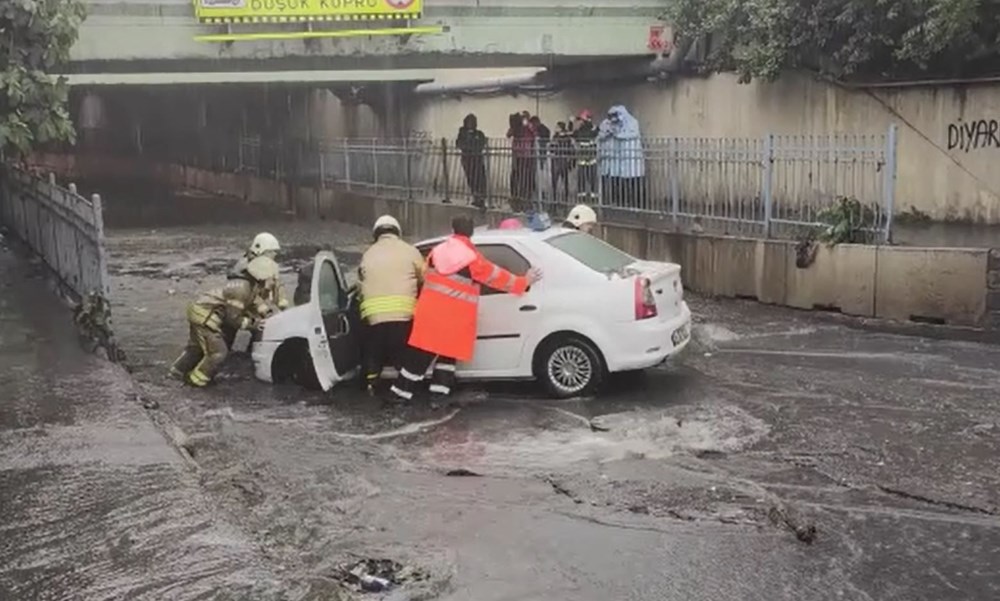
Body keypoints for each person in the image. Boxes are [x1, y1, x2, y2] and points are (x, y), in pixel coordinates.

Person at [390, 215, 542, 402]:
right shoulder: (472, 258)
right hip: (455, 317)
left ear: (453, 230)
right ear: (471, 233)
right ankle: (437, 396)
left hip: (429, 314)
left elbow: (425, 275)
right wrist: (524, 281)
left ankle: (401, 395)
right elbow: (496, 277)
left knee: (419, 358)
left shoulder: (436, 252)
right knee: (447, 358)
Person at [170, 255, 280, 387]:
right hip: (205, 316)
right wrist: (254, 324)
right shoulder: (242, 289)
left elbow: (256, 303)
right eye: (271, 277)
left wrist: (270, 315)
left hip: (201, 310)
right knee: (218, 353)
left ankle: (175, 374)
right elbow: (233, 319)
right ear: (262, 276)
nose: (273, 281)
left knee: (196, 348)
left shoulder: (250, 285)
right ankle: (196, 382)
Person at [357, 215, 426, 394]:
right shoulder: (410, 251)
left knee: (374, 351)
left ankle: (371, 383)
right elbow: (424, 278)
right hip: (403, 313)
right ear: (397, 231)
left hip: (374, 315)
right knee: (402, 353)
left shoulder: (368, 254)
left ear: (376, 234)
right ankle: (405, 386)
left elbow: (361, 282)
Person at [225, 232, 288, 349]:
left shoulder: (263, 264)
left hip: (252, 301)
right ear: (261, 251)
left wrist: (281, 300)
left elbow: (276, 282)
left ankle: (253, 350)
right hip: (243, 301)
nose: (275, 254)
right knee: (231, 326)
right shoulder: (246, 268)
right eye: (272, 252)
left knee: (261, 326)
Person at [598, 105, 646, 208]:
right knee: (621, 182)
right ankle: (622, 201)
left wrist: (617, 135)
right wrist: (609, 133)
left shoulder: (632, 122)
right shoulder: (610, 123)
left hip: (633, 157)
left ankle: (638, 203)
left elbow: (633, 134)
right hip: (619, 159)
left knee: (635, 182)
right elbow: (601, 135)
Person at [456, 113, 488, 209]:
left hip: (478, 159)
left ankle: (481, 197)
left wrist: (475, 147)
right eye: (470, 122)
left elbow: (482, 143)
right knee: (472, 179)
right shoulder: (462, 133)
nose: (472, 124)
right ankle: (476, 196)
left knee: (481, 178)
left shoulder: (479, 133)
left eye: (474, 122)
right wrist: (469, 148)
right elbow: (459, 144)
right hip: (468, 160)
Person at [507, 113, 536, 212]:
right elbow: (508, 134)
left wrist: (528, 125)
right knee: (516, 178)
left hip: (527, 156)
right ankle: (517, 200)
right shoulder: (516, 129)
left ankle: (525, 201)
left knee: (525, 179)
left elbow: (534, 133)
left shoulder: (528, 127)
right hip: (518, 156)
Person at [572, 110, 599, 202]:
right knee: (584, 178)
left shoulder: (590, 130)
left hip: (590, 158)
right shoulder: (591, 129)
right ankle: (586, 196)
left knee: (589, 178)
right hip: (584, 158)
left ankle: (590, 197)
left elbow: (576, 134)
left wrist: (573, 123)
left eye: (582, 120)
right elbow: (574, 135)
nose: (581, 122)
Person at [550, 121, 575, 204]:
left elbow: (571, 149)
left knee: (565, 179)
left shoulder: (567, 138)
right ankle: (554, 196)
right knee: (554, 179)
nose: (555, 128)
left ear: (561, 128)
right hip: (556, 160)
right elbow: (551, 147)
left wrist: (570, 159)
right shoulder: (555, 137)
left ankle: (566, 196)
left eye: (557, 127)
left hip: (563, 160)